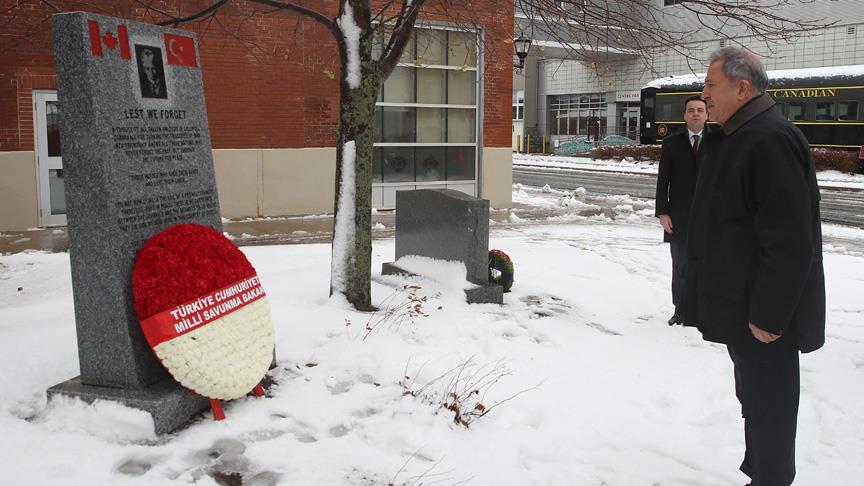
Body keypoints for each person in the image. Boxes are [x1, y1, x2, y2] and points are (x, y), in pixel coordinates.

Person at [684, 47, 825, 486]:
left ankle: (772, 478)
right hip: (741, 305)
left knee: (772, 405)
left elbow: (789, 242)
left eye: (710, 85)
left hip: (764, 315)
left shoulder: (769, 139)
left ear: (741, 88)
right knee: (756, 400)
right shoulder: (735, 133)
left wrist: (768, 315)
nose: (703, 94)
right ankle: (761, 474)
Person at [655, 95, 707, 326]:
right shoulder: (672, 142)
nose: (695, 113)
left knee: (707, 266)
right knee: (681, 266)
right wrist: (663, 213)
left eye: (700, 110)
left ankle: (704, 311)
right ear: (685, 115)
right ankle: (681, 310)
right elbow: (663, 180)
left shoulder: (720, 140)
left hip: (710, 217)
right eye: (691, 110)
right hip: (679, 217)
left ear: (707, 114)